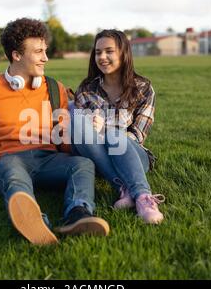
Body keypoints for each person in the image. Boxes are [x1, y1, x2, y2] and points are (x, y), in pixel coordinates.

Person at [0, 18, 109, 245]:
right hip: (7, 159)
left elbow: (61, 136)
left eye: (45, 50)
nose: (46, 57)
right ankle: (36, 223)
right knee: (15, 176)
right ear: (16, 55)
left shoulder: (56, 89)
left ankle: (78, 214)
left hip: (48, 159)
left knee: (82, 165)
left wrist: (87, 152)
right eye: (38, 52)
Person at [69, 29, 165, 224]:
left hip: (134, 156)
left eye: (109, 51)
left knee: (116, 136)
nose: (102, 57)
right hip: (97, 154)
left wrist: (105, 129)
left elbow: (137, 135)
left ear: (123, 53)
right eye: (97, 52)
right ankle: (127, 189)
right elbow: (80, 138)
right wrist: (89, 126)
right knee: (77, 121)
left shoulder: (143, 88)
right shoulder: (86, 90)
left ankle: (142, 197)